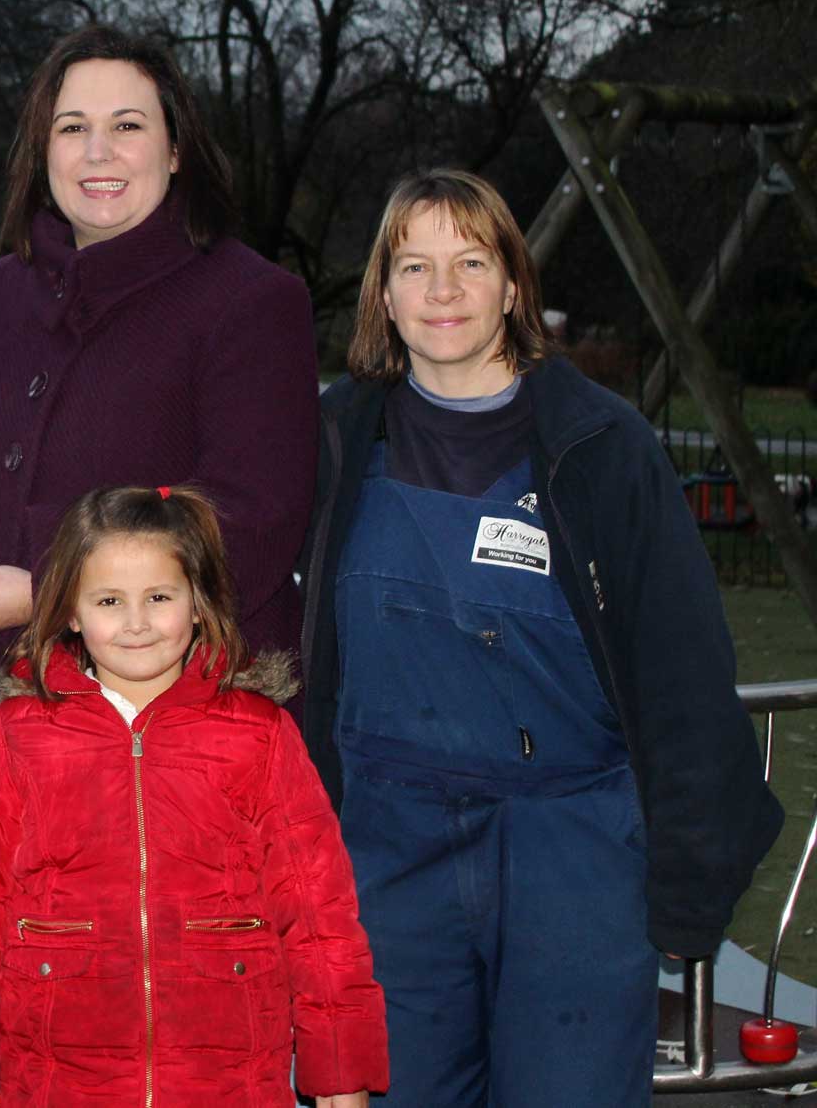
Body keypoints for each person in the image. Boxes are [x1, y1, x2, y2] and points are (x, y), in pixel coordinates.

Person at [299, 168, 783, 1104]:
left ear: (514, 285)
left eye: (470, 262)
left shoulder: (602, 448)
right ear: (384, 295)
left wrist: (688, 887)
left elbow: (682, 676)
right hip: (384, 855)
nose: (443, 291)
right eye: (415, 265)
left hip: (572, 852)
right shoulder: (333, 438)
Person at [0, 25, 317, 793]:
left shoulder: (251, 301)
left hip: (166, 750)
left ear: (176, 148)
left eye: (127, 126)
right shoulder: (3, 292)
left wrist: (50, 585)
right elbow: (7, 472)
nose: (98, 152)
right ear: (42, 150)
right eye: (72, 128)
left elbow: (254, 522)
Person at [0, 485, 386, 1108]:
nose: (136, 622)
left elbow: (323, 922)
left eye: (158, 597)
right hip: (57, 1080)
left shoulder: (260, 734)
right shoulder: (21, 734)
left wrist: (340, 1075)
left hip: (229, 1083)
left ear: (197, 604)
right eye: (109, 600)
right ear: (70, 612)